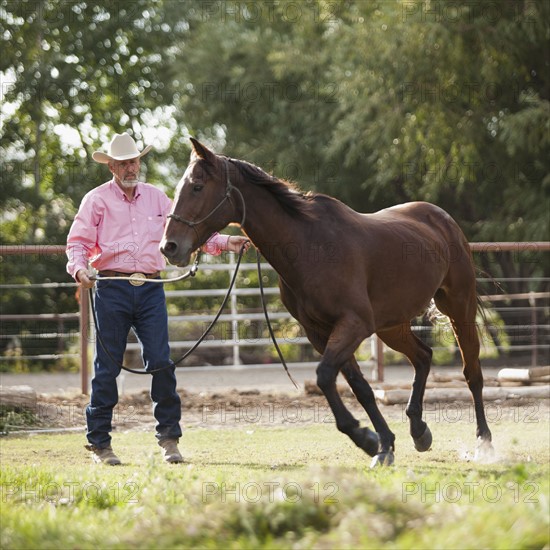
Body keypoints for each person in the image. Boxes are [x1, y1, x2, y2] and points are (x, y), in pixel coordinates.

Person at [66, 132, 249, 465]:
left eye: (134, 161)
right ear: (111, 167)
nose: (130, 168)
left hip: (150, 288)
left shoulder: (157, 198)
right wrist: (79, 270)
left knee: (162, 362)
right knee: (106, 368)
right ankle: (100, 443)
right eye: (122, 163)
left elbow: (186, 229)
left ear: (139, 162)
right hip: (111, 287)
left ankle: (169, 439)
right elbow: (77, 243)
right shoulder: (95, 200)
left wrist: (224, 242)